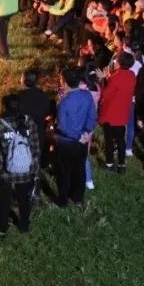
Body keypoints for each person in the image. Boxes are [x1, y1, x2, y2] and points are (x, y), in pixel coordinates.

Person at [0, 96, 41, 236]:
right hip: (26, 170)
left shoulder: (0, 125)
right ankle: (24, 226)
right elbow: (35, 146)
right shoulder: (29, 122)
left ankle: (2, 230)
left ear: (5, 107)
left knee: (3, 202)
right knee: (24, 199)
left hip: (5, 172)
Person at [54, 67, 97, 206]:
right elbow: (92, 116)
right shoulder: (87, 95)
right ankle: (78, 198)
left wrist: (77, 135)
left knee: (64, 172)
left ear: (65, 83)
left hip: (67, 142)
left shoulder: (64, 102)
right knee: (79, 170)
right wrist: (86, 132)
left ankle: (63, 200)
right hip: (82, 141)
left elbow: (63, 126)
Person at [98, 52, 136, 173]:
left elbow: (105, 94)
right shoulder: (131, 75)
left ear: (118, 63)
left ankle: (109, 163)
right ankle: (121, 164)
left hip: (110, 113)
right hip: (123, 111)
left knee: (109, 140)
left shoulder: (115, 78)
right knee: (120, 139)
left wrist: (103, 79)